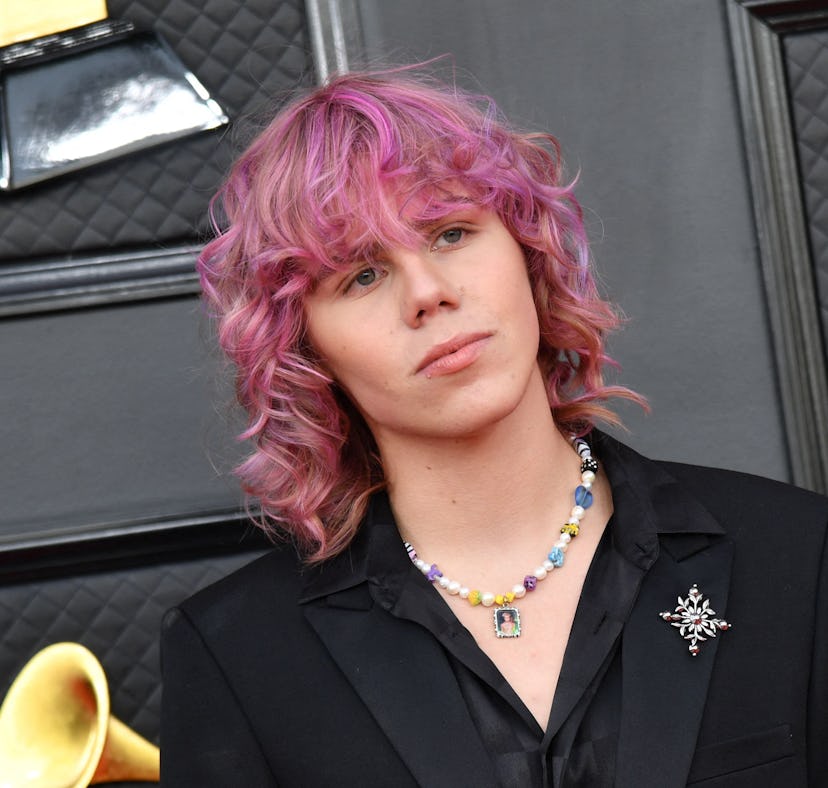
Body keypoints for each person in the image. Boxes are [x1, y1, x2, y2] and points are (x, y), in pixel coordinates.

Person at [160, 67, 828, 787]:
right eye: (360, 275)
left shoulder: (799, 555)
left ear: (527, 253)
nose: (428, 293)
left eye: (450, 232)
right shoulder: (237, 656)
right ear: (305, 351)